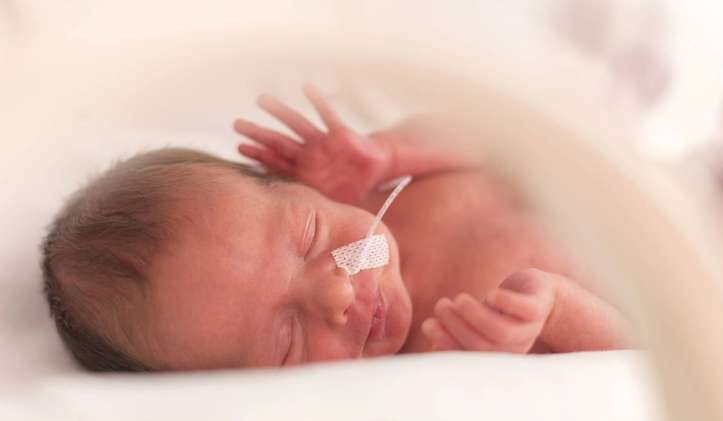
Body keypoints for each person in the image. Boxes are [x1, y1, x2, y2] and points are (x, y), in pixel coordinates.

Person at [41, 86, 631, 371]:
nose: (336, 293)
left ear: (296, 186)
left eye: (307, 240)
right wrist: (558, 315)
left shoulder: (385, 185)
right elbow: (641, 360)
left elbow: (503, 130)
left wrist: (392, 151)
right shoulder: (446, 350)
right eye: (287, 339)